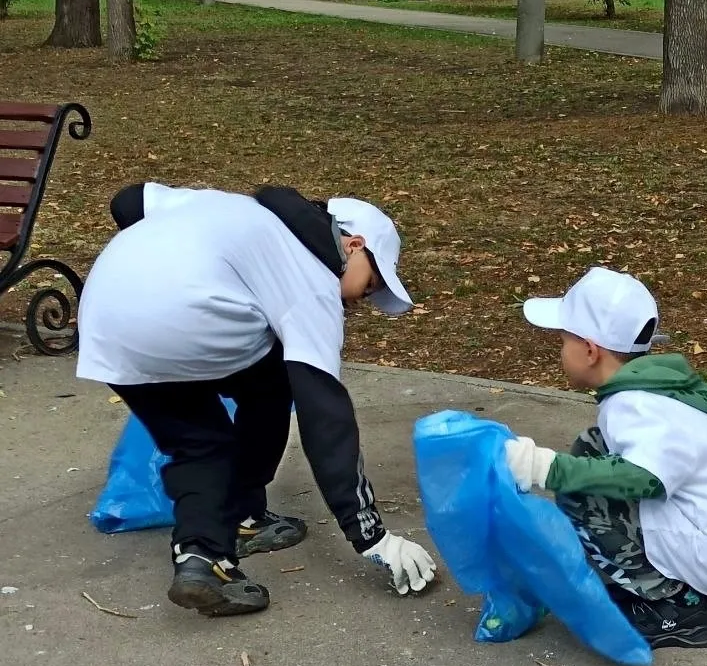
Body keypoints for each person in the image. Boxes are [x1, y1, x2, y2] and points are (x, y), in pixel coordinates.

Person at [76, 182, 438, 616]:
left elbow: (128, 200)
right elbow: (326, 420)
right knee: (259, 401)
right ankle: (224, 539)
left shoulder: (225, 205)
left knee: (206, 436)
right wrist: (370, 534)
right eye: (375, 281)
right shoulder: (313, 284)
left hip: (104, 316)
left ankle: (225, 534)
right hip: (185, 323)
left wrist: (160, 260)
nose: (368, 298)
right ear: (355, 245)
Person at [500, 267, 707, 650]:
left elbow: (645, 478)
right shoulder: (651, 391)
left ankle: (678, 606)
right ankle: (681, 587)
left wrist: (544, 467)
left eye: (563, 340)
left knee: (582, 493)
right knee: (595, 448)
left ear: (590, 350)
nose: (559, 350)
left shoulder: (633, 404)